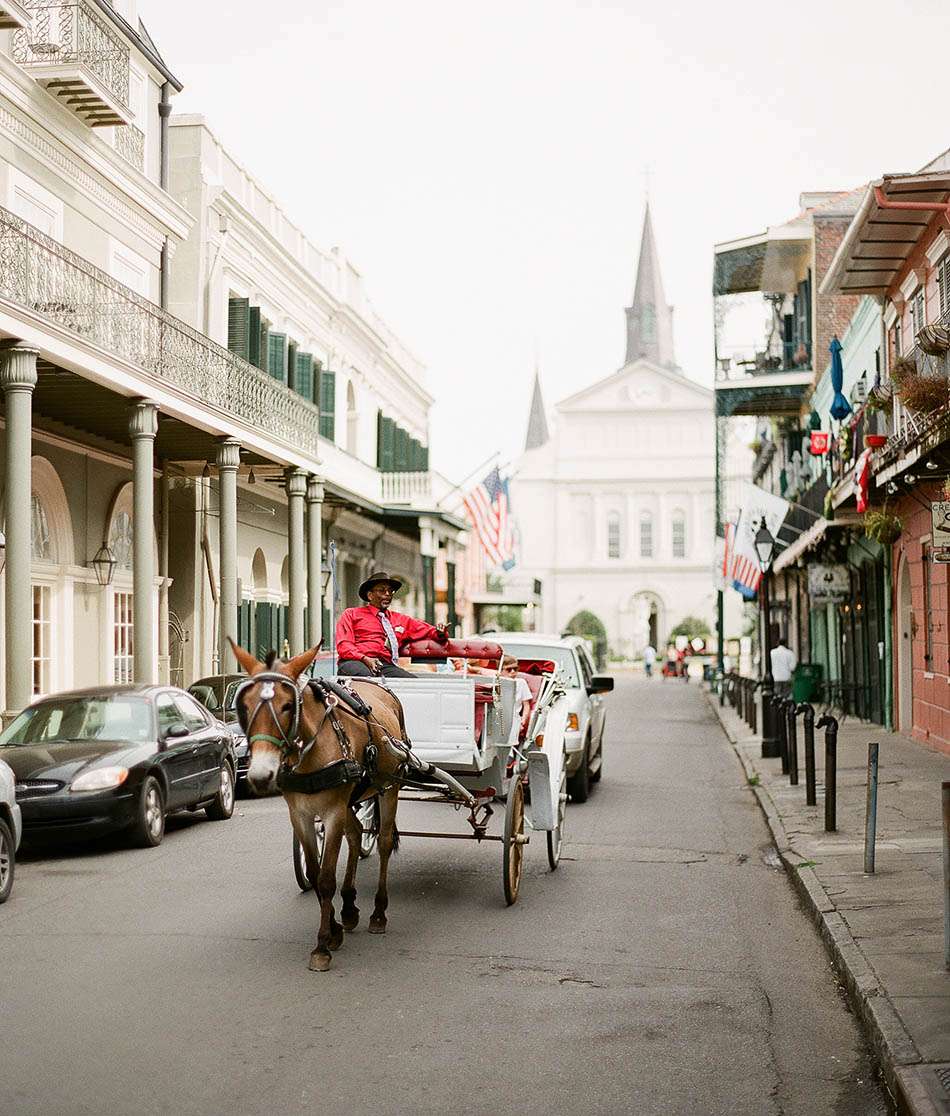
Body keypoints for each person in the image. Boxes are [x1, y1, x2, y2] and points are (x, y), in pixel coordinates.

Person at [335, 571, 448, 678]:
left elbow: (430, 631)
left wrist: (440, 632)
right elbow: (344, 646)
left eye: (390, 591)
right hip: (355, 662)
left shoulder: (401, 619)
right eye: (382, 590)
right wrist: (365, 658)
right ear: (370, 595)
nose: (388, 594)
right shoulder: (351, 614)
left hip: (383, 665)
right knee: (368, 679)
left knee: (412, 685)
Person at [500, 655, 532, 722]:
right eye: (509, 669)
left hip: (515, 718)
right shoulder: (494, 682)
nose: (513, 671)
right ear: (500, 671)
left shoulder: (522, 682)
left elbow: (526, 705)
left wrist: (523, 721)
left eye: (515, 669)